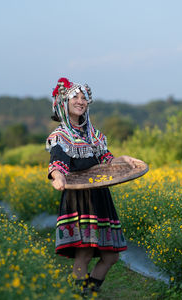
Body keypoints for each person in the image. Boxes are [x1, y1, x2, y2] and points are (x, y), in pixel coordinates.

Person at [46, 77, 138, 294]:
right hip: (80, 199)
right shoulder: (61, 136)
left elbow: (107, 160)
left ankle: (87, 293)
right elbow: (57, 161)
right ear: (63, 103)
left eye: (83, 98)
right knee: (84, 253)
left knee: (111, 256)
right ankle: (80, 295)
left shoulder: (93, 135)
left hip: (100, 197)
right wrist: (57, 176)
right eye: (74, 97)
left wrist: (122, 159)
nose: (80, 101)